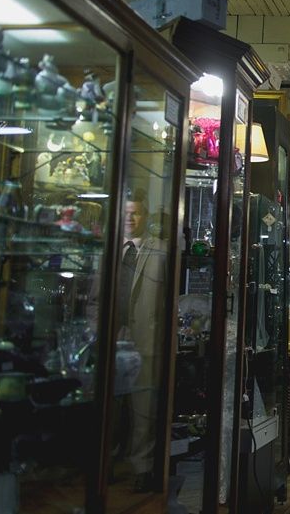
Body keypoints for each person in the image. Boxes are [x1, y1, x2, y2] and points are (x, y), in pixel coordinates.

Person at [116, 187, 168, 492]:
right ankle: (106, 464)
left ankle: (141, 467)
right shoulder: (109, 248)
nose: (130, 218)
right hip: (111, 338)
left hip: (146, 341)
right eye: (125, 213)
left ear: (144, 216)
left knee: (143, 408)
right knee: (109, 406)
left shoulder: (161, 251)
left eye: (135, 212)